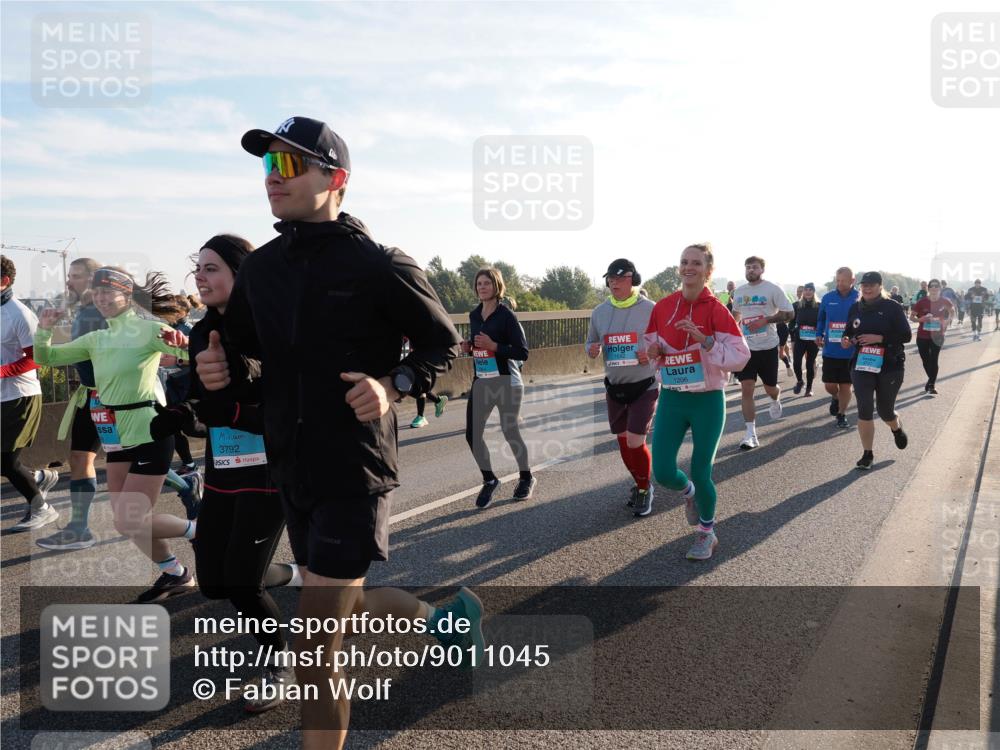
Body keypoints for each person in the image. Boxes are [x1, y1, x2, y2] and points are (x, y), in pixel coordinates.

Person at [197, 116, 483, 749]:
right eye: (268, 166)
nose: (274, 178)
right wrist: (217, 371)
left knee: (315, 644)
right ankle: (443, 623)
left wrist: (395, 385)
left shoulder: (380, 263)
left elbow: (442, 343)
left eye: (290, 165)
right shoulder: (264, 270)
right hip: (290, 467)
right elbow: (244, 353)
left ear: (337, 178)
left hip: (355, 467)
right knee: (338, 604)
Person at [152, 234, 301, 713]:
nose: (200, 275)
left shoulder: (271, 325)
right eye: (199, 267)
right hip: (223, 470)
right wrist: (184, 417)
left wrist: (231, 405)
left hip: (269, 471)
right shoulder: (201, 332)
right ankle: (294, 573)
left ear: (244, 274)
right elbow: (205, 405)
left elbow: (283, 410)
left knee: (240, 583)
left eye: (213, 268)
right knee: (215, 582)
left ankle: (279, 663)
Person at [33, 266, 197, 602]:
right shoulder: (97, 338)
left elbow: (193, 354)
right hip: (115, 436)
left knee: (129, 520)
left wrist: (183, 344)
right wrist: (44, 329)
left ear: (126, 294)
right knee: (128, 523)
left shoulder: (149, 329)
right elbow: (46, 357)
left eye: (109, 291)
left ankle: (201, 532)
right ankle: (175, 573)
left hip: (150, 430)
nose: (102, 298)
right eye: (97, 292)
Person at [645, 243, 750, 559]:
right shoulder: (662, 307)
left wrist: (705, 341)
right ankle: (689, 494)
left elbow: (740, 358)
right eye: (684, 262)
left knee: (701, 470)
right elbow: (650, 347)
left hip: (707, 401)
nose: (688, 267)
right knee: (662, 471)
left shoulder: (717, 311)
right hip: (672, 399)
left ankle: (707, 532)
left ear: (708, 271)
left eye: (695, 263)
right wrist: (654, 354)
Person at [35, 258, 105, 549]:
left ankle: (184, 484)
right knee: (79, 459)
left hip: (113, 400)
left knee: (138, 463)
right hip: (89, 397)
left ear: (92, 280)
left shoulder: (101, 313)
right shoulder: (81, 312)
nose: (68, 282)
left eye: (75, 276)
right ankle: (79, 528)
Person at [585, 258, 657, 516]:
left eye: (619, 278)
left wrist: (651, 352)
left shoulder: (650, 309)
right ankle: (640, 483)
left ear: (633, 279)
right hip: (615, 387)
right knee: (624, 442)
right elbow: (591, 342)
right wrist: (591, 349)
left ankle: (644, 487)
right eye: (610, 279)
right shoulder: (599, 312)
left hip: (644, 385)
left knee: (636, 441)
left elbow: (663, 343)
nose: (613, 283)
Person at [461, 267, 533, 507]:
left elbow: (522, 351)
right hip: (482, 380)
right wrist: (469, 347)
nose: (482, 287)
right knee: (472, 434)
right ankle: (489, 479)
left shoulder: (506, 316)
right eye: (479, 283)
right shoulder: (474, 315)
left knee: (509, 430)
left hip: (507, 381)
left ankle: (526, 477)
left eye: (487, 283)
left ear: (496, 286)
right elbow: (479, 346)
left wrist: (494, 345)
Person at [1, 255, 59, 531]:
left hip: (20, 397)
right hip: (3, 397)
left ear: (4, 281)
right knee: (5, 462)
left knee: (6, 461)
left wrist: (1, 371)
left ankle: (42, 508)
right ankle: (37, 477)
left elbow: (38, 357)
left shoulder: (19, 313)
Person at [842, 272, 911, 470]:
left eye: (871, 285)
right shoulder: (855, 307)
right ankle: (867, 454)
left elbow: (906, 335)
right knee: (864, 408)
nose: (867, 288)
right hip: (862, 364)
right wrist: (846, 340)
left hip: (890, 364)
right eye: (864, 285)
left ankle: (896, 427)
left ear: (880, 286)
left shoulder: (892, 307)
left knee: (885, 411)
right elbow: (848, 332)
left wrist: (879, 338)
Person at [729, 256, 794, 449]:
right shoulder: (739, 292)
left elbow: (789, 314)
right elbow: (735, 317)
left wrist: (766, 320)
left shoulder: (772, 289)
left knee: (769, 387)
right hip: (747, 348)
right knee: (746, 387)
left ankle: (776, 397)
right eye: (747, 267)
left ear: (762, 270)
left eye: (754, 267)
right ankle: (750, 434)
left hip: (767, 346)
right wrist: (732, 332)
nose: (750, 270)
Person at [816, 267, 859, 429]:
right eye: (838, 280)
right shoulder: (828, 298)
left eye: (843, 281)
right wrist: (818, 334)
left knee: (846, 385)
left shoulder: (859, 298)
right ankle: (835, 397)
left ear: (852, 281)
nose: (839, 283)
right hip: (830, 349)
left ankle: (841, 414)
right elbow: (821, 319)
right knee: (829, 384)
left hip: (851, 350)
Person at [910, 279, 953, 395]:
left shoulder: (945, 301)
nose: (934, 288)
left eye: (936, 286)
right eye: (931, 286)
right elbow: (911, 317)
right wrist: (920, 319)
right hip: (922, 336)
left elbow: (952, 311)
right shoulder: (921, 302)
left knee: (934, 359)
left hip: (938, 336)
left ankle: (931, 385)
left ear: (940, 288)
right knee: (925, 360)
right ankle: (931, 379)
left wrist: (947, 321)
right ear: (928, 288)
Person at [790, 282, 820, 396]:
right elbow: (791, 321)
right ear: (803, 292)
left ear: (813, 292)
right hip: (800, 338)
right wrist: (793, 329)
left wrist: (820, 334)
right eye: (806, 290)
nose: (808, 292)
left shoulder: (819, 306)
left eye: (810, 290)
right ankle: (800, 381)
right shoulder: (797, 305)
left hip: (813, 340)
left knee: (809, 364)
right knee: (796, 362)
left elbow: (822, 321)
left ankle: (809, 388)